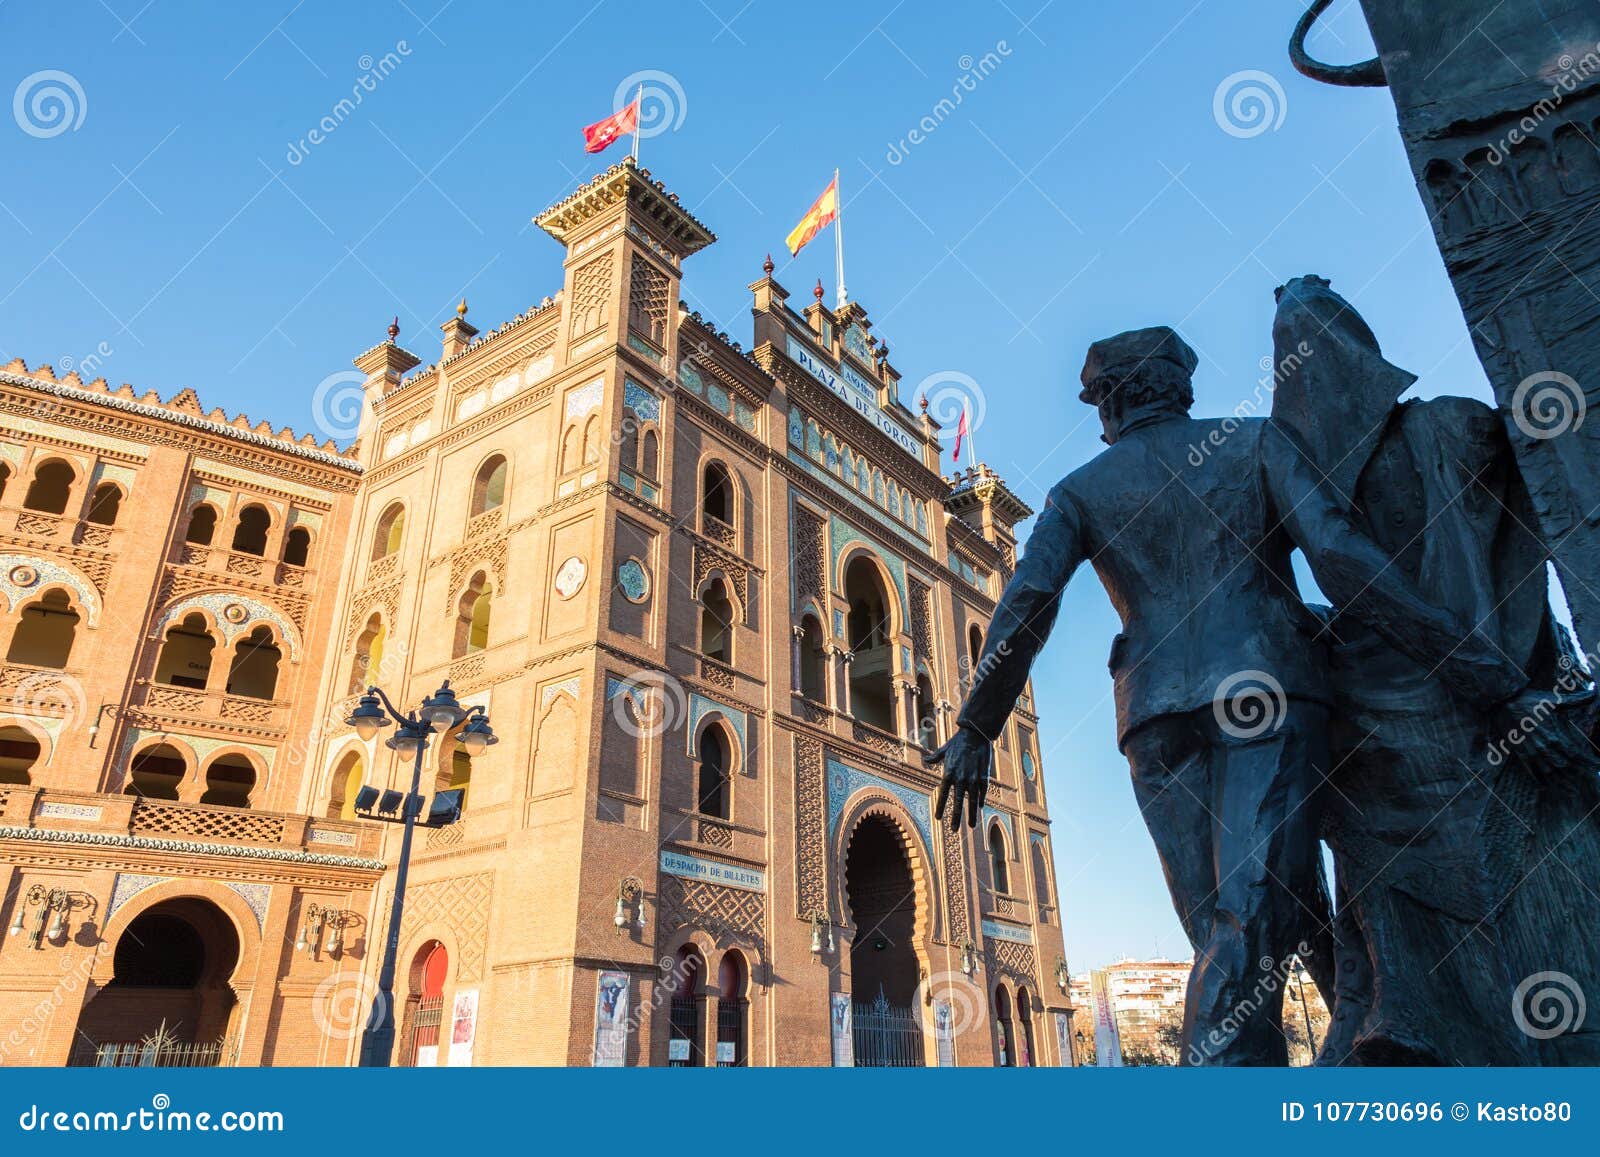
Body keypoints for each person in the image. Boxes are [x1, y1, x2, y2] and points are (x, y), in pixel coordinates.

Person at [928, 324, 1560, 1064]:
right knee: (1243, 934)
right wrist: (1484, 674)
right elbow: (1342, 560)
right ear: (1180, 388)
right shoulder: (1255, 444)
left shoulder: (1082, 491)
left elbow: (1025, 605)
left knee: (1233, 935)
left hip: (1158, 724)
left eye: (1098, 401)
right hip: (1267, 700)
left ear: (1113, 405)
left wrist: (976, 725)